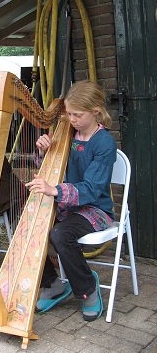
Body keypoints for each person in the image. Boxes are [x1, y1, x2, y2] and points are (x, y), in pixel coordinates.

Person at [26, 80, 117, 321]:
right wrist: (43, 152)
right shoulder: (66, 133)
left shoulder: (104, 142)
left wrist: (55, 190)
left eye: (78, 115)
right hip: (67, 206)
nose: (72, 119)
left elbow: (92, 188)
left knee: (59, 234)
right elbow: (48, 170)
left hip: (94, 209)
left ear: (95, 112)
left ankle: (88, 289)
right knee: (26, 223)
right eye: (68, 113)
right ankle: (53, 284)